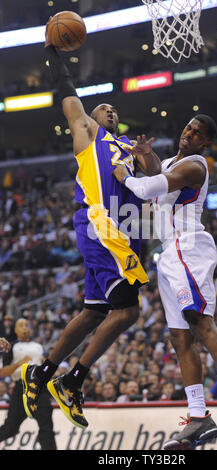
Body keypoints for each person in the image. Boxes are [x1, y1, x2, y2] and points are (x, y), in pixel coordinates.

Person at [21, 17, 161, 429]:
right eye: (104, 108)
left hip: (127, 233)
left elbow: (153, 187)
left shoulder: (129, 148)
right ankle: (73, 381)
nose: (111, 110)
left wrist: (147, 158)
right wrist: (52, 55)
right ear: (91, 115)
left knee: (93, 312)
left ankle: (43, 372)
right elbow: (68, 96)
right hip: (102, 227)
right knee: (129, 312)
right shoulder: (88, 135)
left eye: (115, 109)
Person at [113, 114, 217, 449]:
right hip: (168, 251)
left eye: (197, 133)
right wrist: (146, 155)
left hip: (188, 245)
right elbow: (158, 171)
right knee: (179, 339)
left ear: (205, 143)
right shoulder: (173, 161)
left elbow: (149, 186)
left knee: (200, 322)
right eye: (188, 128)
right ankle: (198, 417)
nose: (189, 133)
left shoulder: (196, 166)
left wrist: (125, 175)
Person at [0, 319, 56, 450]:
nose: (25, 328)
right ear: (15, 330)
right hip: (21, 388)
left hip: (39, 388)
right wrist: (20, 363)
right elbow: (2, 373)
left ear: (30, 329)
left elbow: (47, 366)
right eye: (21, 326)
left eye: (27, 325)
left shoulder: (38, 346)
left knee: (46, 424)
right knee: (10, 428)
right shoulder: (11, 346)